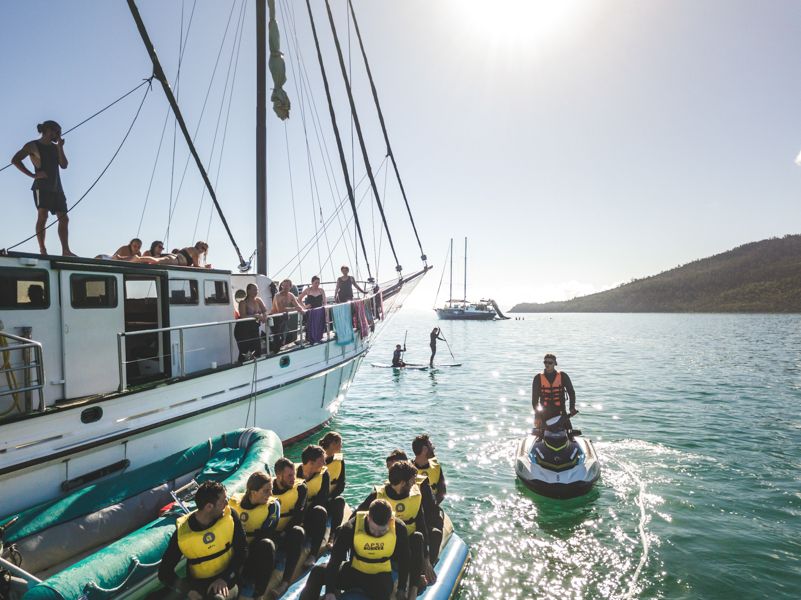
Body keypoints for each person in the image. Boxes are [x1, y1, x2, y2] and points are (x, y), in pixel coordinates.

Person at [300, 499, 413, 600]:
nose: (376, 535)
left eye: (382, 531)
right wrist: (329, 591)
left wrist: (402, 588)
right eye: (374, 530)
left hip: (380, 578)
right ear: (368, 518)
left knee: (384, 593)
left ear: (390, 520)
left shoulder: (399, 528)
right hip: (354, 571)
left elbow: (405, 559)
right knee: (318, 572)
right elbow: (335, 561)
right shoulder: (350, 528)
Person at [356, 460, 438, 591]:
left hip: (407, 546)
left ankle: (414, 582)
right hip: (384, 546)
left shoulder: (415, 497)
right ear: (403, 483)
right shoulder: (377, 496)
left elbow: (421, 525)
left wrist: (426, 559)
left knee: (418, 537)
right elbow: (355, 518)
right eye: (412, 480)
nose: (414, 483)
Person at [158, 480, 247, 600]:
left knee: (217, 598)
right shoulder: (182, 534)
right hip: (198, 586)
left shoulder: (231, 516)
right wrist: (188, 591)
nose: (227, 503)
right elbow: (164, 572)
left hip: (227, 581)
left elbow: (243, 550)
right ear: (209, 506)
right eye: (223, 501)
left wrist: (224, 579)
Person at [11, 120, 76, 256]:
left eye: (59, 133)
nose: (58, 135)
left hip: (57, 187)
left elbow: (64, 165)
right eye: (56, 132)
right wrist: (33, 175)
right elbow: (15, 160)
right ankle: (43, 250)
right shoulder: (32, 145)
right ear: (47, 130)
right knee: (43, 216)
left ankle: (66, 250)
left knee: (64, 218)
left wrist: (60, 147)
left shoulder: (55, 147)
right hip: (42, 186)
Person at [228, 472, 279, 600]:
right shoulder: (234, 505)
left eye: (271, 490)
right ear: (253, 491)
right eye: (266, 491)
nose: (270, 494)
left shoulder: (272, 507)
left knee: (267, 544)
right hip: (238, 553)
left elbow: (265, 535)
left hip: (257, 554)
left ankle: (260, 593)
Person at [270, 457, 311, 598]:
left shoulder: (300, 488)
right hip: (270, 535)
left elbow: (298, 517)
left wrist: (282, 535)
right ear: (278, 476)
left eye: (294, 474)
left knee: (298, 531)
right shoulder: (267, 489)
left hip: (288, 535)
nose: (293, 478)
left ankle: (285, 582)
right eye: (289, 476)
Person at [295, 445, 340, 568]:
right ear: (311, 462)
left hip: (312, 514)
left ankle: (313, 554)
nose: (325, 463)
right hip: (295, 515)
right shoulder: (293, 474)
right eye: (322, 461)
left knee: (320, 511)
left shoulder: (324, 475)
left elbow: (321, 500)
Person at [531, 353, 577, 431]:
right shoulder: (538, 378)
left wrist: (572, 407)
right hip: (544, 414)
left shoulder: (563, 376)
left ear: (555, 364)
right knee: (539, 436)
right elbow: (534, 400)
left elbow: (571, 393)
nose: (547, 365)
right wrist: (537, 415)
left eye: (550, 363)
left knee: (570, 433)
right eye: (545, 362)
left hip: (561, 413)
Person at [319, 432, 347, 538]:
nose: (341, 447)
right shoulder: (318, 459)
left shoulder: (339, 459)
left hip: (330, 499)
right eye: (340, 444)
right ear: (332, 444)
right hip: (317, 501)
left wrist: (331, 497)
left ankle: (333, 535)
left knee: (340, 501)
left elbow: (341, 483)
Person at [270, 279, 306, 353]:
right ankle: (274, 352)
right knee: (277, 337)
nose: (285, 287)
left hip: (284, 318)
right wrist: (294, 308)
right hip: (275, 319)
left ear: (290, 287)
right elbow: (280, 310)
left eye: (287, 286)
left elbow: (297, 305)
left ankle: (280, 349)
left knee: (285, 336)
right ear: (282, 286)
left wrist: (301, 309)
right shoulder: (277, 296)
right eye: (284, 285)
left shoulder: (291, 295)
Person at [235, 283, 268, 360]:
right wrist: (255, 316)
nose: (256, 291)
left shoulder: (258, 300)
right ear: (248, 291)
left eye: (257, 290)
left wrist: (264, 317)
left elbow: (265, 311)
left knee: (257, 350)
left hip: (254, 328)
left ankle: (256, 367)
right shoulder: (243, 302)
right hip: (243, 330)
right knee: (244, 352)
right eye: (254, 290)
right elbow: (243, 316)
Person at [412, 434, 446, 506]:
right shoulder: (408, 469)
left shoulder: (436, 467)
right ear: (424, 449)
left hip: (431, 507)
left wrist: (433, 505)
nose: (433, 448)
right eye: (430, 445)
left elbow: (442, 492)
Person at [299, 276, 327, 344]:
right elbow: (299, 299)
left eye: (318, 283)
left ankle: (319, 338)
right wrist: (304, 307)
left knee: (319, 325)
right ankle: (310, 339)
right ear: (312, 282)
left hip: (319, 310)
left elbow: (325, 301)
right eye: (316, 283)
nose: (317, 284)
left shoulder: (321, 290)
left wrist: (324, 308)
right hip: (310, 311)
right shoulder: (308, 290)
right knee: (310, 325)